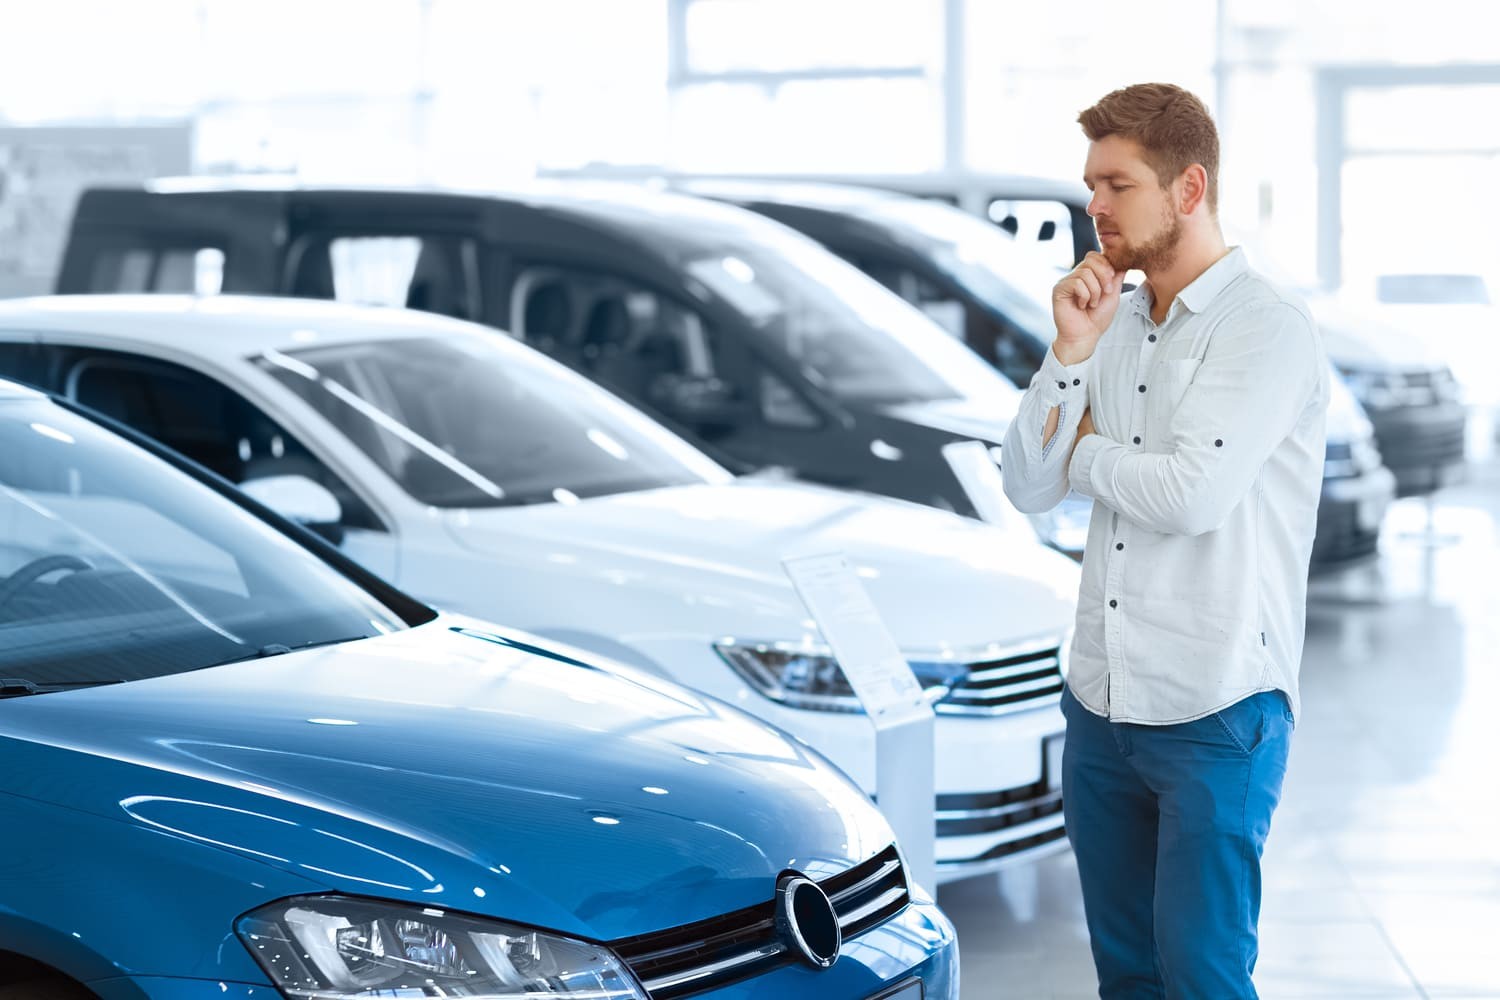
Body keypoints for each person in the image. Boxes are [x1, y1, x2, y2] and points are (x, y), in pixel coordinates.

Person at [1001, 83, 1328, 999]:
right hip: (1100, 703)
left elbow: (1191, 495)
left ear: (1189, 189)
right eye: (1090, 185)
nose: (1094, 206)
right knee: (1128, 975)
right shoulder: (1111, 320)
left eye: (1118, 185)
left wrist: (1085, 452)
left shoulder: (1263, 326)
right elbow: (1026, 484)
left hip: (1214, 707)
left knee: (1202, 976)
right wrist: (1071, 351)